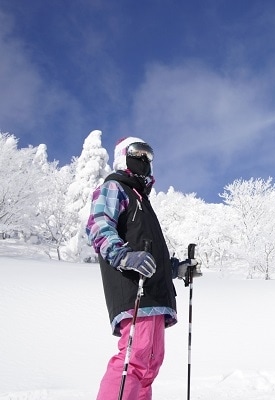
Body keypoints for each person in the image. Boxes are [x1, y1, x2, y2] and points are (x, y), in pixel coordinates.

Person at [86, 136, 199, 400]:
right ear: (122, 156)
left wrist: (177, 269)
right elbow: (98, 225)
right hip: (134, 290)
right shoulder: (116, 187)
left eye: (149, 155)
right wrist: (124, 256)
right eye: (137, 153)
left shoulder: (142, 201)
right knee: (135, 359)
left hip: (155, 294)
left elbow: (149, 254)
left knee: (149, 364)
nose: (144, 160)